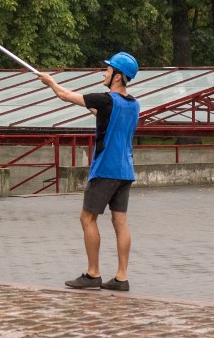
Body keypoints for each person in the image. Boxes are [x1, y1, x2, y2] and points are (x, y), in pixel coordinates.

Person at [37, 52, 140, 292]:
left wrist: (50, 82)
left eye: (108, 70)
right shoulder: (133, 104)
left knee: (87, 218)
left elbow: (64, 95)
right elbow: (107, 116)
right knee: (120, 221)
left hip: (106, 168)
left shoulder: (105, 99)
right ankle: (121, 277)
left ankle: (93, 273)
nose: (104, 73)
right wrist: (91, 108)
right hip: (126, 169)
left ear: (117, 76)